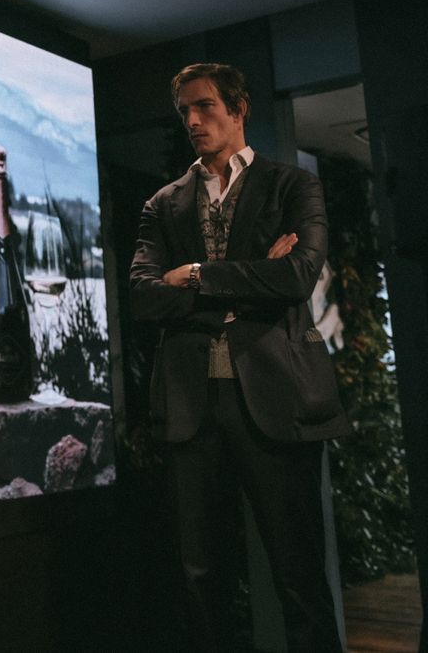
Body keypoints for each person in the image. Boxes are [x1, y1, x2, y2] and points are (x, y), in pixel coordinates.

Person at [130, 63, 349, 651]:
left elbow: (298, 276)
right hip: (192, 403)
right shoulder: (164, 204)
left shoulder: (291, 186)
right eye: (185, 112)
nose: (193, 121)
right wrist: (256, 277)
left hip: (276, 396)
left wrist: (199, 275)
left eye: (205, 107)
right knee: (201, 578)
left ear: (239, 108)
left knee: (298, 573)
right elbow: (144, 296)